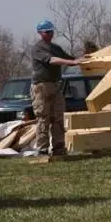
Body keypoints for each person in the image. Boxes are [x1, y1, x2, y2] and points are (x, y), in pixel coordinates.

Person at [30, 19, 82, 156]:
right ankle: (42, 149)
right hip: (42, 87)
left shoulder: (56, 48)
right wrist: (72, 61)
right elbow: (52, 60)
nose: (50, 34)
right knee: (43, 118)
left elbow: (70, 59)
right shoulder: (38, 48)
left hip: (55, 85)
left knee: (58, 117)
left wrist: (82, 58)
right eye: (47, 32)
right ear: (40, 33)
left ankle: (59, 148)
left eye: (51, 31)